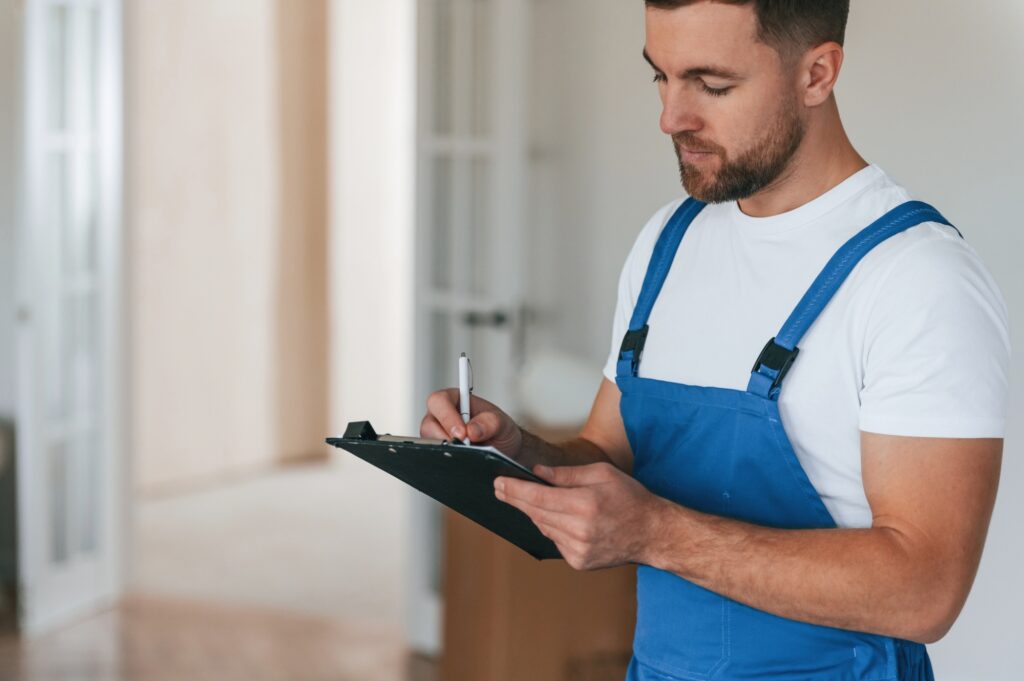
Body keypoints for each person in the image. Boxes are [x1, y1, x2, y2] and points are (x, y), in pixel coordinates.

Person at [420, 1, 1010, 679]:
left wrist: (657, 533)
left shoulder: (915, 278)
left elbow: (925, 591)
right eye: (661, 78)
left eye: (712, 85)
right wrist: (518, 453)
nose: (672, 117)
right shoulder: (668, 243)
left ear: (817, 73)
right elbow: (608, 456)